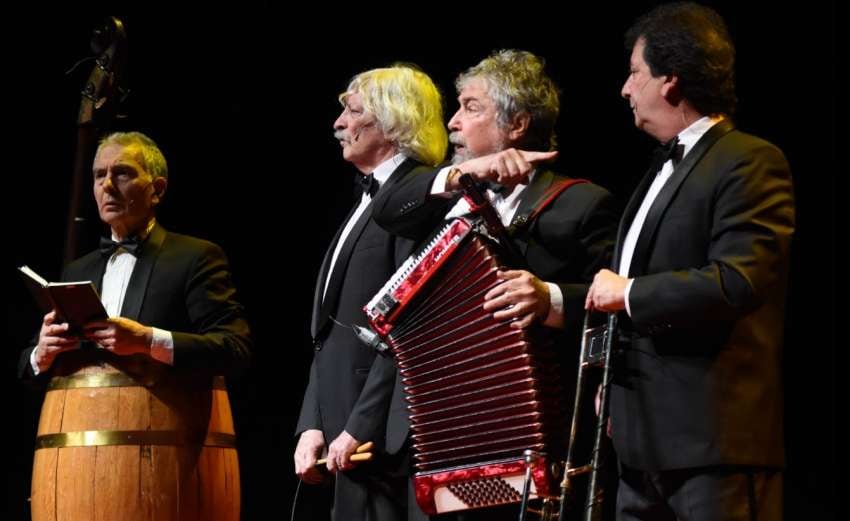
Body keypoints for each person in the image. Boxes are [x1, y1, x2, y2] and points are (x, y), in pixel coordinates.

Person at [372, 49, 618, 519]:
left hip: (536, 442)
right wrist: (469, 172)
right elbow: (387, 207)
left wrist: (550, 296)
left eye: (471, 107)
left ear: (518, 124)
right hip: (450, 439)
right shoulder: (450, 200)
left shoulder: (582, 204)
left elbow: (615, 304)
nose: (452, 123)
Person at [584, 3, 794, 520]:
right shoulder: (657, 171)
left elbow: (737, 280)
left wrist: (629, 293)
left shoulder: (749, 160)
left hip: (711, 448)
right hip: (640, 446)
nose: (625, 89)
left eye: (635, 73)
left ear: (671, 80)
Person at [18, 131, 252, 518]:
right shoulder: (78, 270)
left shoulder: (194, 257)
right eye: (98, 175)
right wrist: (40, 354)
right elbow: (27, 367)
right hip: (78, 464)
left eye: (122, 173)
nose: (107, 185)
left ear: (156, 190)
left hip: (169, 460)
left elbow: (236, 349)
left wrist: (148, 341)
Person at [293, 65, 448, 521]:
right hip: (346, 439)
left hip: (388, 444)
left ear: (393, 123)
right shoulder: (365, 200)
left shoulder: (416, 201)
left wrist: (361, 425)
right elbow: (329, 331)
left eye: (353, 111)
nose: (338, 124)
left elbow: (408, 325)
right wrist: (313, 423)